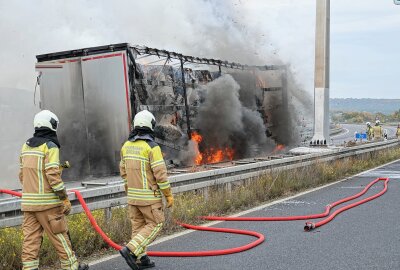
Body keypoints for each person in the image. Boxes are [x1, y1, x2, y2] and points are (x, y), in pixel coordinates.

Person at [19, 110, 88, 270]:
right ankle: (72, 267)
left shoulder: (26, 145)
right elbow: (53, 177)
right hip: (48, 205)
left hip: (29, 205)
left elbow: (23, 175)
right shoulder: (50, 146)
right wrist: (63, 198)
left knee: (30, 241)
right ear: (51, 125)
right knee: (60, 237)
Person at [119, 110, 174, 270]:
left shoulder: (126, 146)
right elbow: (160, 175)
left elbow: (123, 171)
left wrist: (129, 189)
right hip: (149, 198)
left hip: (133, 197)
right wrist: (168, 195)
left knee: (138, 226)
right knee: (156, 223)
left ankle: (141, 259)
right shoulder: (152, 147)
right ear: (151, 126)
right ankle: (131, 250)